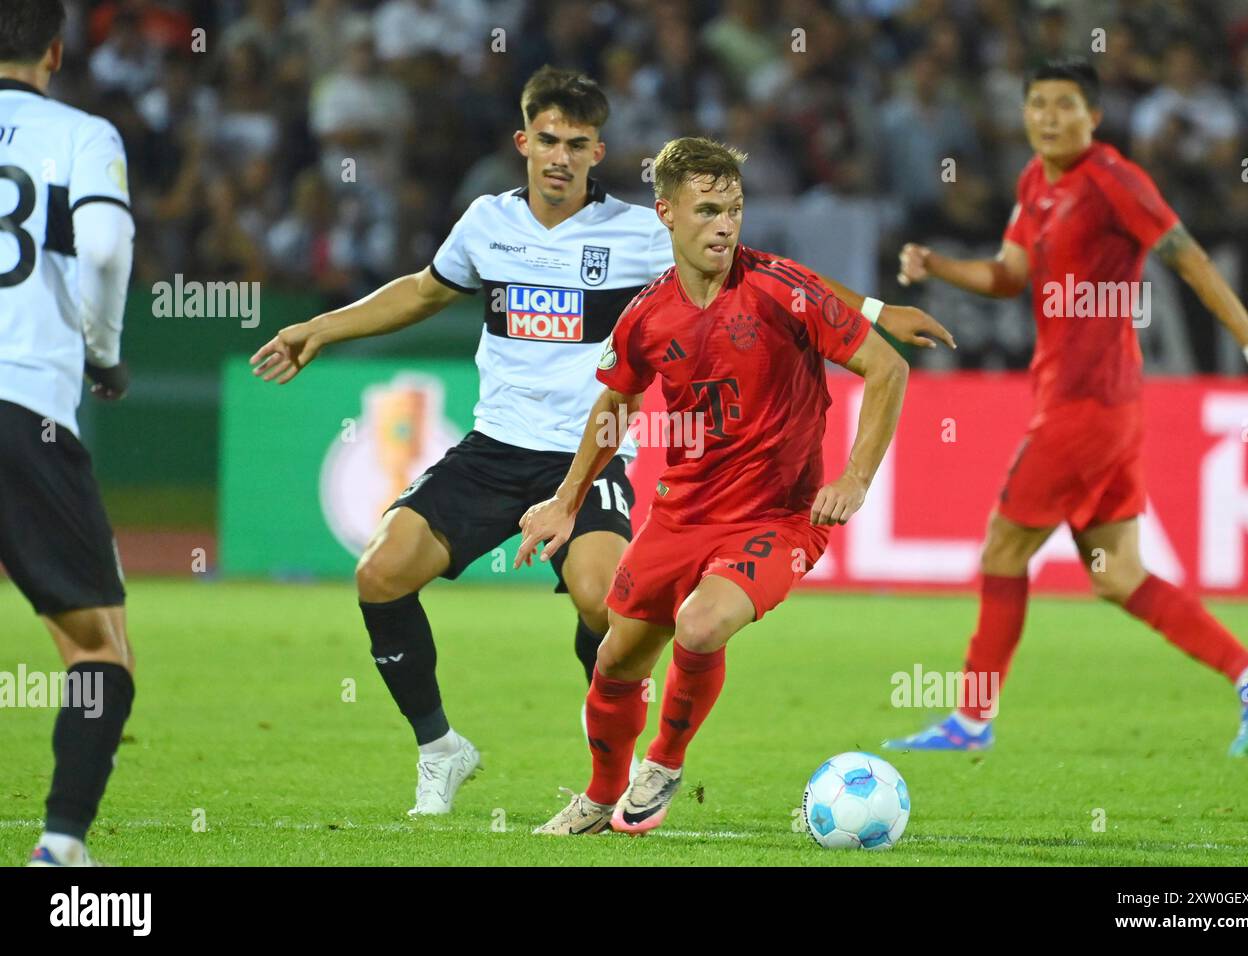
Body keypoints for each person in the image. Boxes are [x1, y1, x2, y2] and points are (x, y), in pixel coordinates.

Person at [252, 67, 949, 816]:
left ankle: (624, 765)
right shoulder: (487, 222)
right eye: (547, 140)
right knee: (380, 572)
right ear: (523, 141)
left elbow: (781, 280)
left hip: (589, 454)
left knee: (604, 609)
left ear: (597, 151)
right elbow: (423, 290)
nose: (559, 155)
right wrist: (319, 327)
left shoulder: (644, 233)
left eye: (576, 144)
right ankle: (440, 749)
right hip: (493, 447)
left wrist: (875, 310)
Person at [887, 58, 1248, 757]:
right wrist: (939, 267)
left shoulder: (1113, 179)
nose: (1049, 116)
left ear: (1094, 115)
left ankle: (970, 722)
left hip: (1090, 405)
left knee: (1002, 548)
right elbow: (1009, 274)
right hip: (1080, 399)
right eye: (1038, 103)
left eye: (1065, 104)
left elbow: (1192, 259)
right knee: (1117, 574)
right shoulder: (1034, 182)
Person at [520, 137, 909, 836]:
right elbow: (615, 405)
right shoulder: (646, 315)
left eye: (734, 208)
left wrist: (855, 476)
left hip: (778, 516)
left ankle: (663, 763)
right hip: (680, 516)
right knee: (614, 657)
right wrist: (566, 501)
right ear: (667, 213)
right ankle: (600, 795)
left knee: (701, 626)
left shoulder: (784, 290)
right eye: (708, 210)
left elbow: (888, 369)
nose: (726, 226)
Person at [0, 0, 137, 866]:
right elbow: (106, 247)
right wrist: (106, 353)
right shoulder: (83, 136)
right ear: (56, 49)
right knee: (99, 648)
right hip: (22, 407)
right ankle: (59, 847)